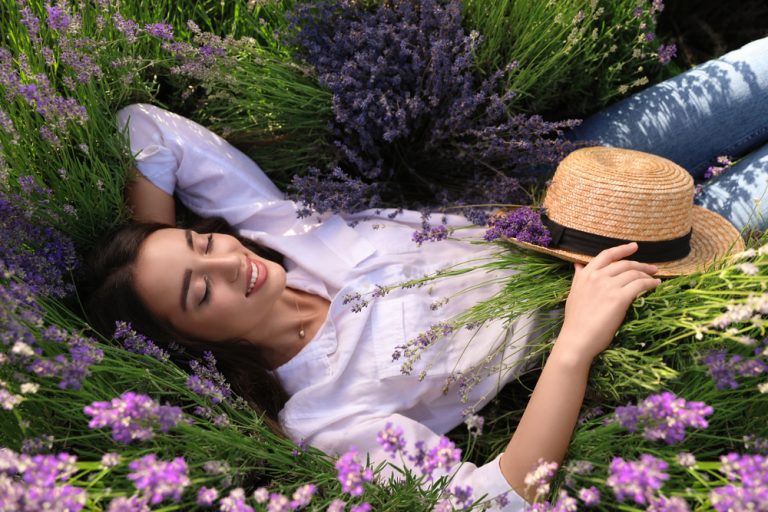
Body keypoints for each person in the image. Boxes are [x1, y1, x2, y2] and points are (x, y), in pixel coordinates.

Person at [84, 36, 766, 510]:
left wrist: (148, 240)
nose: (232, 263)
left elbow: (146, 128)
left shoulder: (271, 228)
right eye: (200, 291)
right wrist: (574, 348)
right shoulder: (327, 417)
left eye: (204, 243)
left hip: (577, 176)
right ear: (196, 345)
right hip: (607, 267)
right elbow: (495, 500)